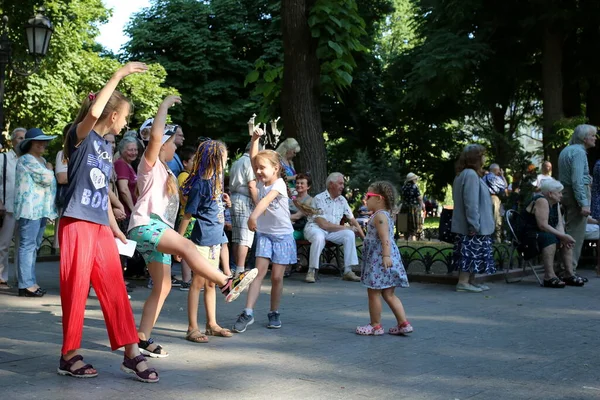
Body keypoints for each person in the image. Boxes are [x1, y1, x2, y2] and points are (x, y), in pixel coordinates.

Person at [128, 96, 258, 357]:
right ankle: (226, 281)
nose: (176, 147)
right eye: (172, 142)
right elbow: (154, 138)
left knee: (163, 287)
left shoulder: (166, 170)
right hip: (146, 226)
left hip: (158, 229)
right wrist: (163, 105)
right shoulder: (148, 164)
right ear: (162, 142)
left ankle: (141, 337)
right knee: (188, 246)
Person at [57, 62, 159, 382]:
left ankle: (131, 353)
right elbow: (92, 114)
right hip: (75, 222)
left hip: (99, 226)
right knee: (75, 290)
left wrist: (115, 230)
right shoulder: (81, 137)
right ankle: (69, 354)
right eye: (125, 115)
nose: (126, 121)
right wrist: (119, 75)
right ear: (112, 116)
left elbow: (101, 192)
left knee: (115, 289)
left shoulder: (104, 147)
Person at [232, 127, 297, 333]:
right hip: (266, 236)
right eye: (257, 168)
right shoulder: (261, 180)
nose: (258, 171)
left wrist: (253, 216)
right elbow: (253, 159)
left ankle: (274, 311)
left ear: (276, 168)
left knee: (277, 277)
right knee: (258, 273)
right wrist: (254, 140)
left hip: (283, 236)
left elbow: (264, 202)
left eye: (263, 168)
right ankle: (248, 312)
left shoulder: (278, 184)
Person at [178, 140, 235, 343]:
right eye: (224, 159)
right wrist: (180, 243)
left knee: (211, 283)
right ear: (215, 160)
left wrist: (225, 203)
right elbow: (188, 214)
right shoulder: (201, 183)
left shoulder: (216, 181)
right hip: (201, 240)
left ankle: (212, 324)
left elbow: (214, 208)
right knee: (198, 283)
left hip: (215, 239)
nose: (225, 163)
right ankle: (192, 327)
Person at [356, 181, 412, 336]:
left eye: (368, 195)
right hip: (384, 259)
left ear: (379, 198)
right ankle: (403, 323)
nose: (365, 199)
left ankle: (375, 325)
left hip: (379, 260)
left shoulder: (379, 216)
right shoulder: (383, 215)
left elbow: (385, 238)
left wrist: (385, 256)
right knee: (389, 294)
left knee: (373, 292)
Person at [14, 128, 57, 297]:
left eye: (44, 141)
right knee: (27, 246)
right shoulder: (26, 159)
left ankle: (30, 282)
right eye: (38, 141)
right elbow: (46, 178)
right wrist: (50, 169)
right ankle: (26, 284)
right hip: (29, 210)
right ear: (29, 143)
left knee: (33, 247)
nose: (43, 144)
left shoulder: (42, 160)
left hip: (40, 210)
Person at [303, 173, 365, 283]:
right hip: (315, 228)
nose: (343, 187)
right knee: (319, 236)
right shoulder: (319, 199)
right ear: (331, 184)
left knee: (349, 234)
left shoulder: (342, 200)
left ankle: (348, 271)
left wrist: (365, 239)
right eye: (340, 183)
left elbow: (353, 221)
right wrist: (346, 228)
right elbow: (323, 224)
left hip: (332, 231)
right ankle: (311, 271)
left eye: (343, 184)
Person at [521, 179, 582, 287]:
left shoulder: (555, 203)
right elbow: (542, 225)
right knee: (550, 238)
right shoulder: (541, 200)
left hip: (542, 233)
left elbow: (558, 224)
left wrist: (563, 237)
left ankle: (569, 274)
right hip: (529, 235)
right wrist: (562, 236)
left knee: (566, 240)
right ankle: (549, 276)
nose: (561, 195)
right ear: (550, 193)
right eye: (559, 192)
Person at [451, 144, 495, 293]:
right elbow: (471, 202)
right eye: (482, 155)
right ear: (476, 157)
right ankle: (463, 282)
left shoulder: (466, 174)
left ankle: (471, 281)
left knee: (473, 253)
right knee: (470, 252)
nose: (485, 158)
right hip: (473, 225)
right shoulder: (470, 174)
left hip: (471, 224)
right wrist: (473, 224)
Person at [559, 124, 596, 278]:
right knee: (575, 234)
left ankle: (565, 268)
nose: (595, 138)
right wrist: (584, 203)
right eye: (593, 135)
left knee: (569, 231)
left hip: (567, 193)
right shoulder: (579, 153)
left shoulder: (567, 150)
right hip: (575, 196)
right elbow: (577, 180)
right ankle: (569, 271)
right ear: (584, 138)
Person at [229, 141, 261, 277]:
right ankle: (240, 270)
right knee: (245, 237)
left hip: (234, 199)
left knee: (237, 236)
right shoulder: (249, 163)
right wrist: (259, 205)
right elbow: (252, 186)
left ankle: (237, 267)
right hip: (245, 200)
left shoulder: (237, 162)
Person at [0, 127, 25, 289]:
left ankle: (22, 278)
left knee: (23, 246)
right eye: (19, 138)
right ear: (12, 141)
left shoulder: (28, 160)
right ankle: (1, 277)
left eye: (25, 138)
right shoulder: (3, 159)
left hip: (25, 209)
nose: (22, 141)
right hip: (7, 208)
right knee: (3, 245)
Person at [176, 146, 198, 290]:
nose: (196, 164)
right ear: (185, 162)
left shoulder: (190, 176)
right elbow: (185, 197)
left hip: (189, 216)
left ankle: (188, 278)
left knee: (190, 247)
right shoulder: (184, 176)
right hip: (186, 216)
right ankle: (186, 279)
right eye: (193, 161)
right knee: (186, 248)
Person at [482, 164, 507, 243]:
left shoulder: (484, 177)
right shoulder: (495, 178)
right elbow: (505, 185)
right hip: (494, 198)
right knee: (496, 218)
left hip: (485, 198)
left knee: (487, 217)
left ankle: (487, 237)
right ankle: (497, 238)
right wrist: (502, 175)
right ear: (496, 170)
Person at [114, 136, 139, 217]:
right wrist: (133, 210)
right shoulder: (121, 164)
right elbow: (123, 189)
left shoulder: (129, 165)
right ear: (122, 150)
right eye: (130, 150)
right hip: (126, 213)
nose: (134, 153)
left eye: (135, 150)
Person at [400, 172, 425, 241]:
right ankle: (413, 240)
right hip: (413, 208)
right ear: (413, 179)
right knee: (413, 225)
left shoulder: (403, 187)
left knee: (404, 225)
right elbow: (419, 198)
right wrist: (422, 205)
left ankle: (405, 240)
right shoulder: (414, 186)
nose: (416, 180)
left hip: (404, 207)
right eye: (415, 179)